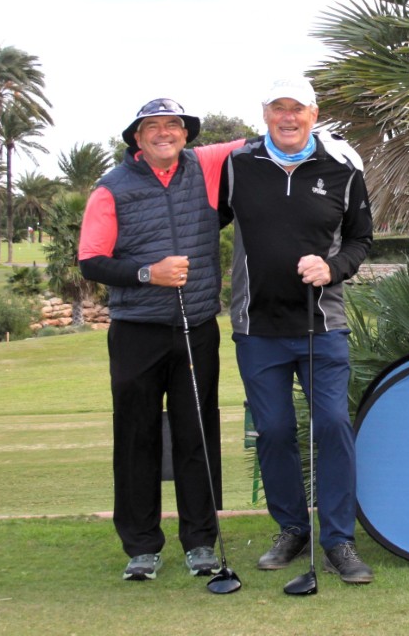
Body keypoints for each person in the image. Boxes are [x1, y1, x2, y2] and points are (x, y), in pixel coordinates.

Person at [78, 98, 244, 581]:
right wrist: (148, 273)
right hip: (136, 331)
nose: (164, 133)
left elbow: (266, 140)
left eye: (173, 125)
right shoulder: (110, 188)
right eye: (153, 126)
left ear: (186, 134)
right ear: (137, 137)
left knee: (197, 434)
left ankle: (200, 542)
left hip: (196, 328)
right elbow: (91, 260)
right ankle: (142, 546)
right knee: (137, 437)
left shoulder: (206, 164)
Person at [218, 77, 374, 584]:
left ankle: (339, 540)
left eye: (297, 109)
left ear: (314, 113)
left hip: (321, 323)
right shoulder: (237, 166)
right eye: (278, 108)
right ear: (265, 113)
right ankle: (291, 528)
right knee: (275, 431)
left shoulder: (343, 168)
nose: (288, 117)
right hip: (256, 326)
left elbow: (361, 238)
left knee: (332, 425)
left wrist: (333, 267)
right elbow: (199, 214)